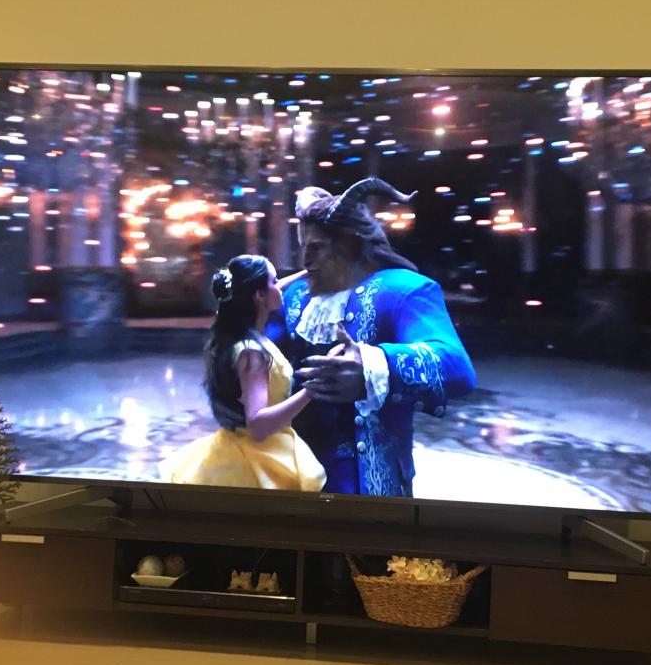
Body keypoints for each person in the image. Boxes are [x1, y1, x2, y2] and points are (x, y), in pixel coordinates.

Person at [268, 177, 476, 497]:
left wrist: (372, 368)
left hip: (369, 490)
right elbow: (257, 361)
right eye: (303, 248)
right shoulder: (293, 296)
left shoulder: (402, 290)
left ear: (350, 244)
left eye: (317, 248)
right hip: (289, 481)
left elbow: (456, 366)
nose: (305, 260)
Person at [161, 255, 326, 491]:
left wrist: (304, 274)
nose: (280, 285)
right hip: (256, 458)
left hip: (239, 444)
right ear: (259, 296)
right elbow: (257, 426)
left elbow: (270, 289)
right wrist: (310, 391)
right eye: (274, 281)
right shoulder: (251, 353)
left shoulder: (241, 333)